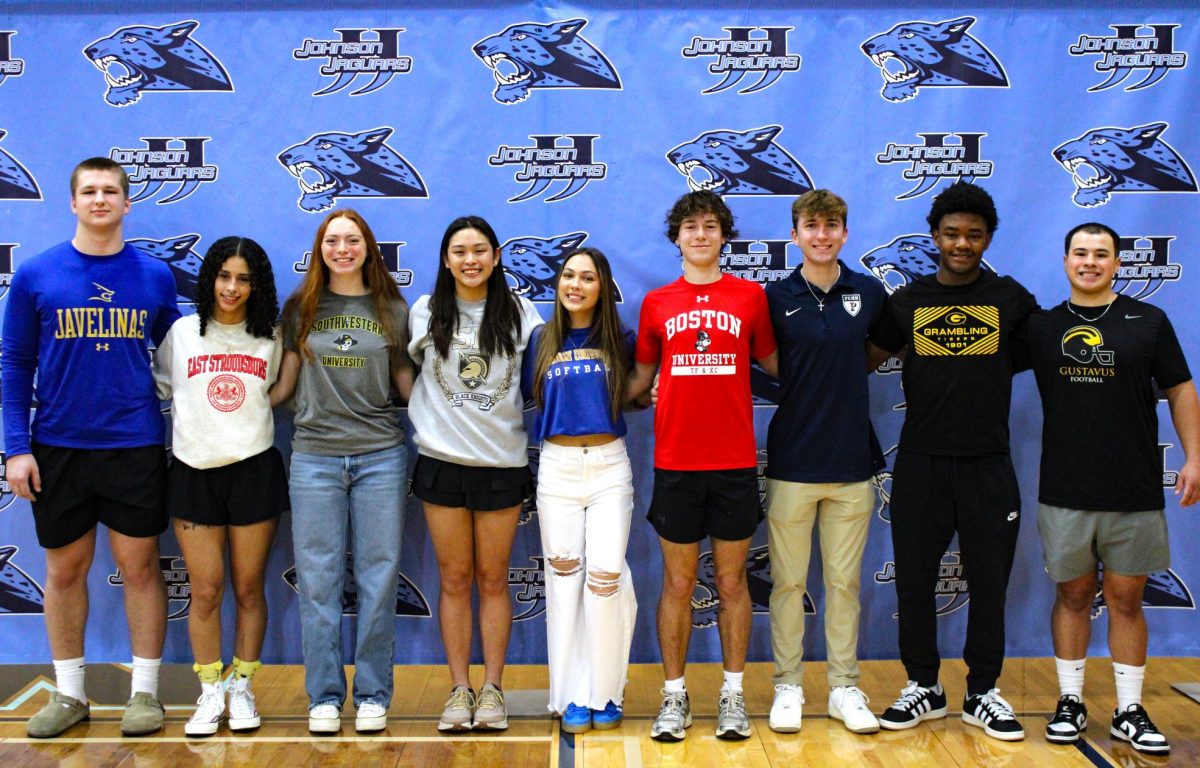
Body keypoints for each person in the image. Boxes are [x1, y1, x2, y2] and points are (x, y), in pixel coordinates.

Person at [2, 157, 181, 738]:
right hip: (58, 446)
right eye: (89, 191)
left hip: (134, 444)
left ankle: (146, 695)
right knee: (65, 571)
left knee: (139, 569)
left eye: (110, 191)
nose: (100, 199)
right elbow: (13, 364)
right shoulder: (36, 274)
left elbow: (180, 358)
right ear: (73, 203)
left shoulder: (156, 277)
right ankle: (71, 695)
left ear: (128, 204)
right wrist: (14, 447)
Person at [868, 181, 1036, 741]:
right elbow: (857, 362)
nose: (962, 243)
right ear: (935, 236)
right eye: (951, 233)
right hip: (921, 463)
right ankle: (925, 687)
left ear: (987, 239)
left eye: (973, 234)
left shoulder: (1011, 299)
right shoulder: (908, 300)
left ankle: (983, 691)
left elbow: (1058, 363)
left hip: (988, 465)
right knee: (915, 581)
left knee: (990, 582)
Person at [1027, 222, 1200, 755]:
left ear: (1117, 263)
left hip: (1133, 490)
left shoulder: (1148, 322)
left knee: (1126, 600)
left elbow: (1180, 388)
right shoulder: (1042, 327)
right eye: (1080, 253)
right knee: (1073, 595)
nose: (1090, 262)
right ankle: (1070, 702)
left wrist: (1194, 457)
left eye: (1101, 254)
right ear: (1065, 261)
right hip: (1065, 490)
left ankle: (1129, 709)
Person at [628, 190, 778, 742]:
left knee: (735, 581)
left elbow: (781, 365)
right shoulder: (657, 304)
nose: (699, 235)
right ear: (676, 238)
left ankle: (734, 697)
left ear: (723, 236)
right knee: (678, 582)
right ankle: (674, 698)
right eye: (690, 226)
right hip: (676, 463)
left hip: (735, 462)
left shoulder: (750, 299)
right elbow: (639, 384)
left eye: (710, 226)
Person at [272, 209, 414, 735]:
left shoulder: (392, 311)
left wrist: (465, 408)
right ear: (320, 248)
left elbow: (408, 389)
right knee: (318, 582)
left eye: (353, 240)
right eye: (333, 240)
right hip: (314, 457)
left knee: (379, 580)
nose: (343, 249)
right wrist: (221, 404)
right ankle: (325, 697)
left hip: (380, 455)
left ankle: (374, 694)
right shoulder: (299, 309)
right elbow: (283, 389)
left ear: (368, 248)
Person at [407, 215, 543, 732]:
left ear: (496, 257)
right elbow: (402, 376)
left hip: (501, 465)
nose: (470, 259)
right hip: (441, 464)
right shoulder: (424, 312)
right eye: (460, 251)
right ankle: (459, 689)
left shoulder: (520, 313)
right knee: (455, 579)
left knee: (491, 579)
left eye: (480, 250)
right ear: (446, 259)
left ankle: (493, 690)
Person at [152, 237, 287, 736]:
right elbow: (156, 388)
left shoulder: (271, 335)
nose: (232, 287)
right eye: (224, 276)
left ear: (257, 285)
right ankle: (210, 690)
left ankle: (242, 687)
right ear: (210, 278)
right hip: (193, 470)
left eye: (243, 279)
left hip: (253, 469)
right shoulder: (183, 333)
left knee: (249, 588)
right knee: (206, 590)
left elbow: (281, 390)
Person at [763, 190, 885, 735]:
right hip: (792, 462)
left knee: (843, 583)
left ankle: (843, 687)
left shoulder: (870, 292)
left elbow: (877, 354)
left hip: (852, 462)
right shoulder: (774, 296)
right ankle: (787, 685)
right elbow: (756, 364)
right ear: (795, 235)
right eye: (811, 226)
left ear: (845, 232)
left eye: (832, 225)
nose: (822, 235)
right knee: (788, 583)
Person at [522, 247, 637, 734]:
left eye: (587, 278)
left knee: (606, 580)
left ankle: (606, 691)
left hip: (610, 467)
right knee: (564, 582)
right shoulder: (540, 341)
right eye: (568, 275)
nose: (575, 285)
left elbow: (634, 395)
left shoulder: (620, 338)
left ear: (601, 287)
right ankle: (570, 694)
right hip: (559, 469)